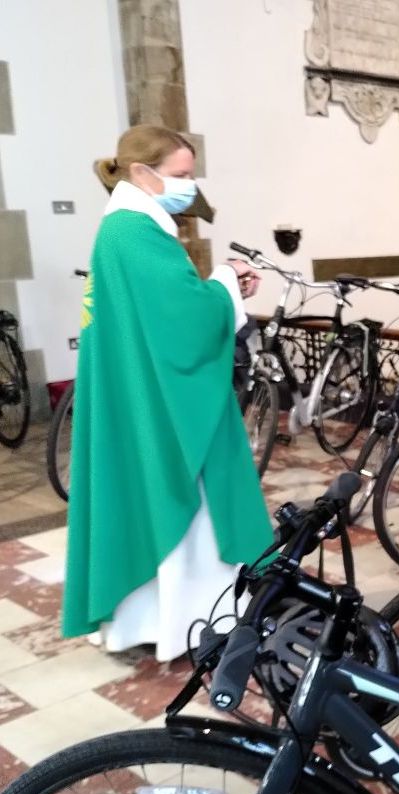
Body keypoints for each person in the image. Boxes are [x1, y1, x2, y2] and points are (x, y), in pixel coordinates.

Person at [61, 124, 274, 661]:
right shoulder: (134, 231)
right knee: (179, 495)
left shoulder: (126, 229)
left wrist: (220, 285)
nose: (189, 184)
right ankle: (187, 620)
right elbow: (185, 320)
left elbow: (165, 310)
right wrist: (226, 279)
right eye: (181, 175)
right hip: (157, 402)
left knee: (145, 493)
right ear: (141, 173)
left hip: (139, 392)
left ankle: (157, 617)